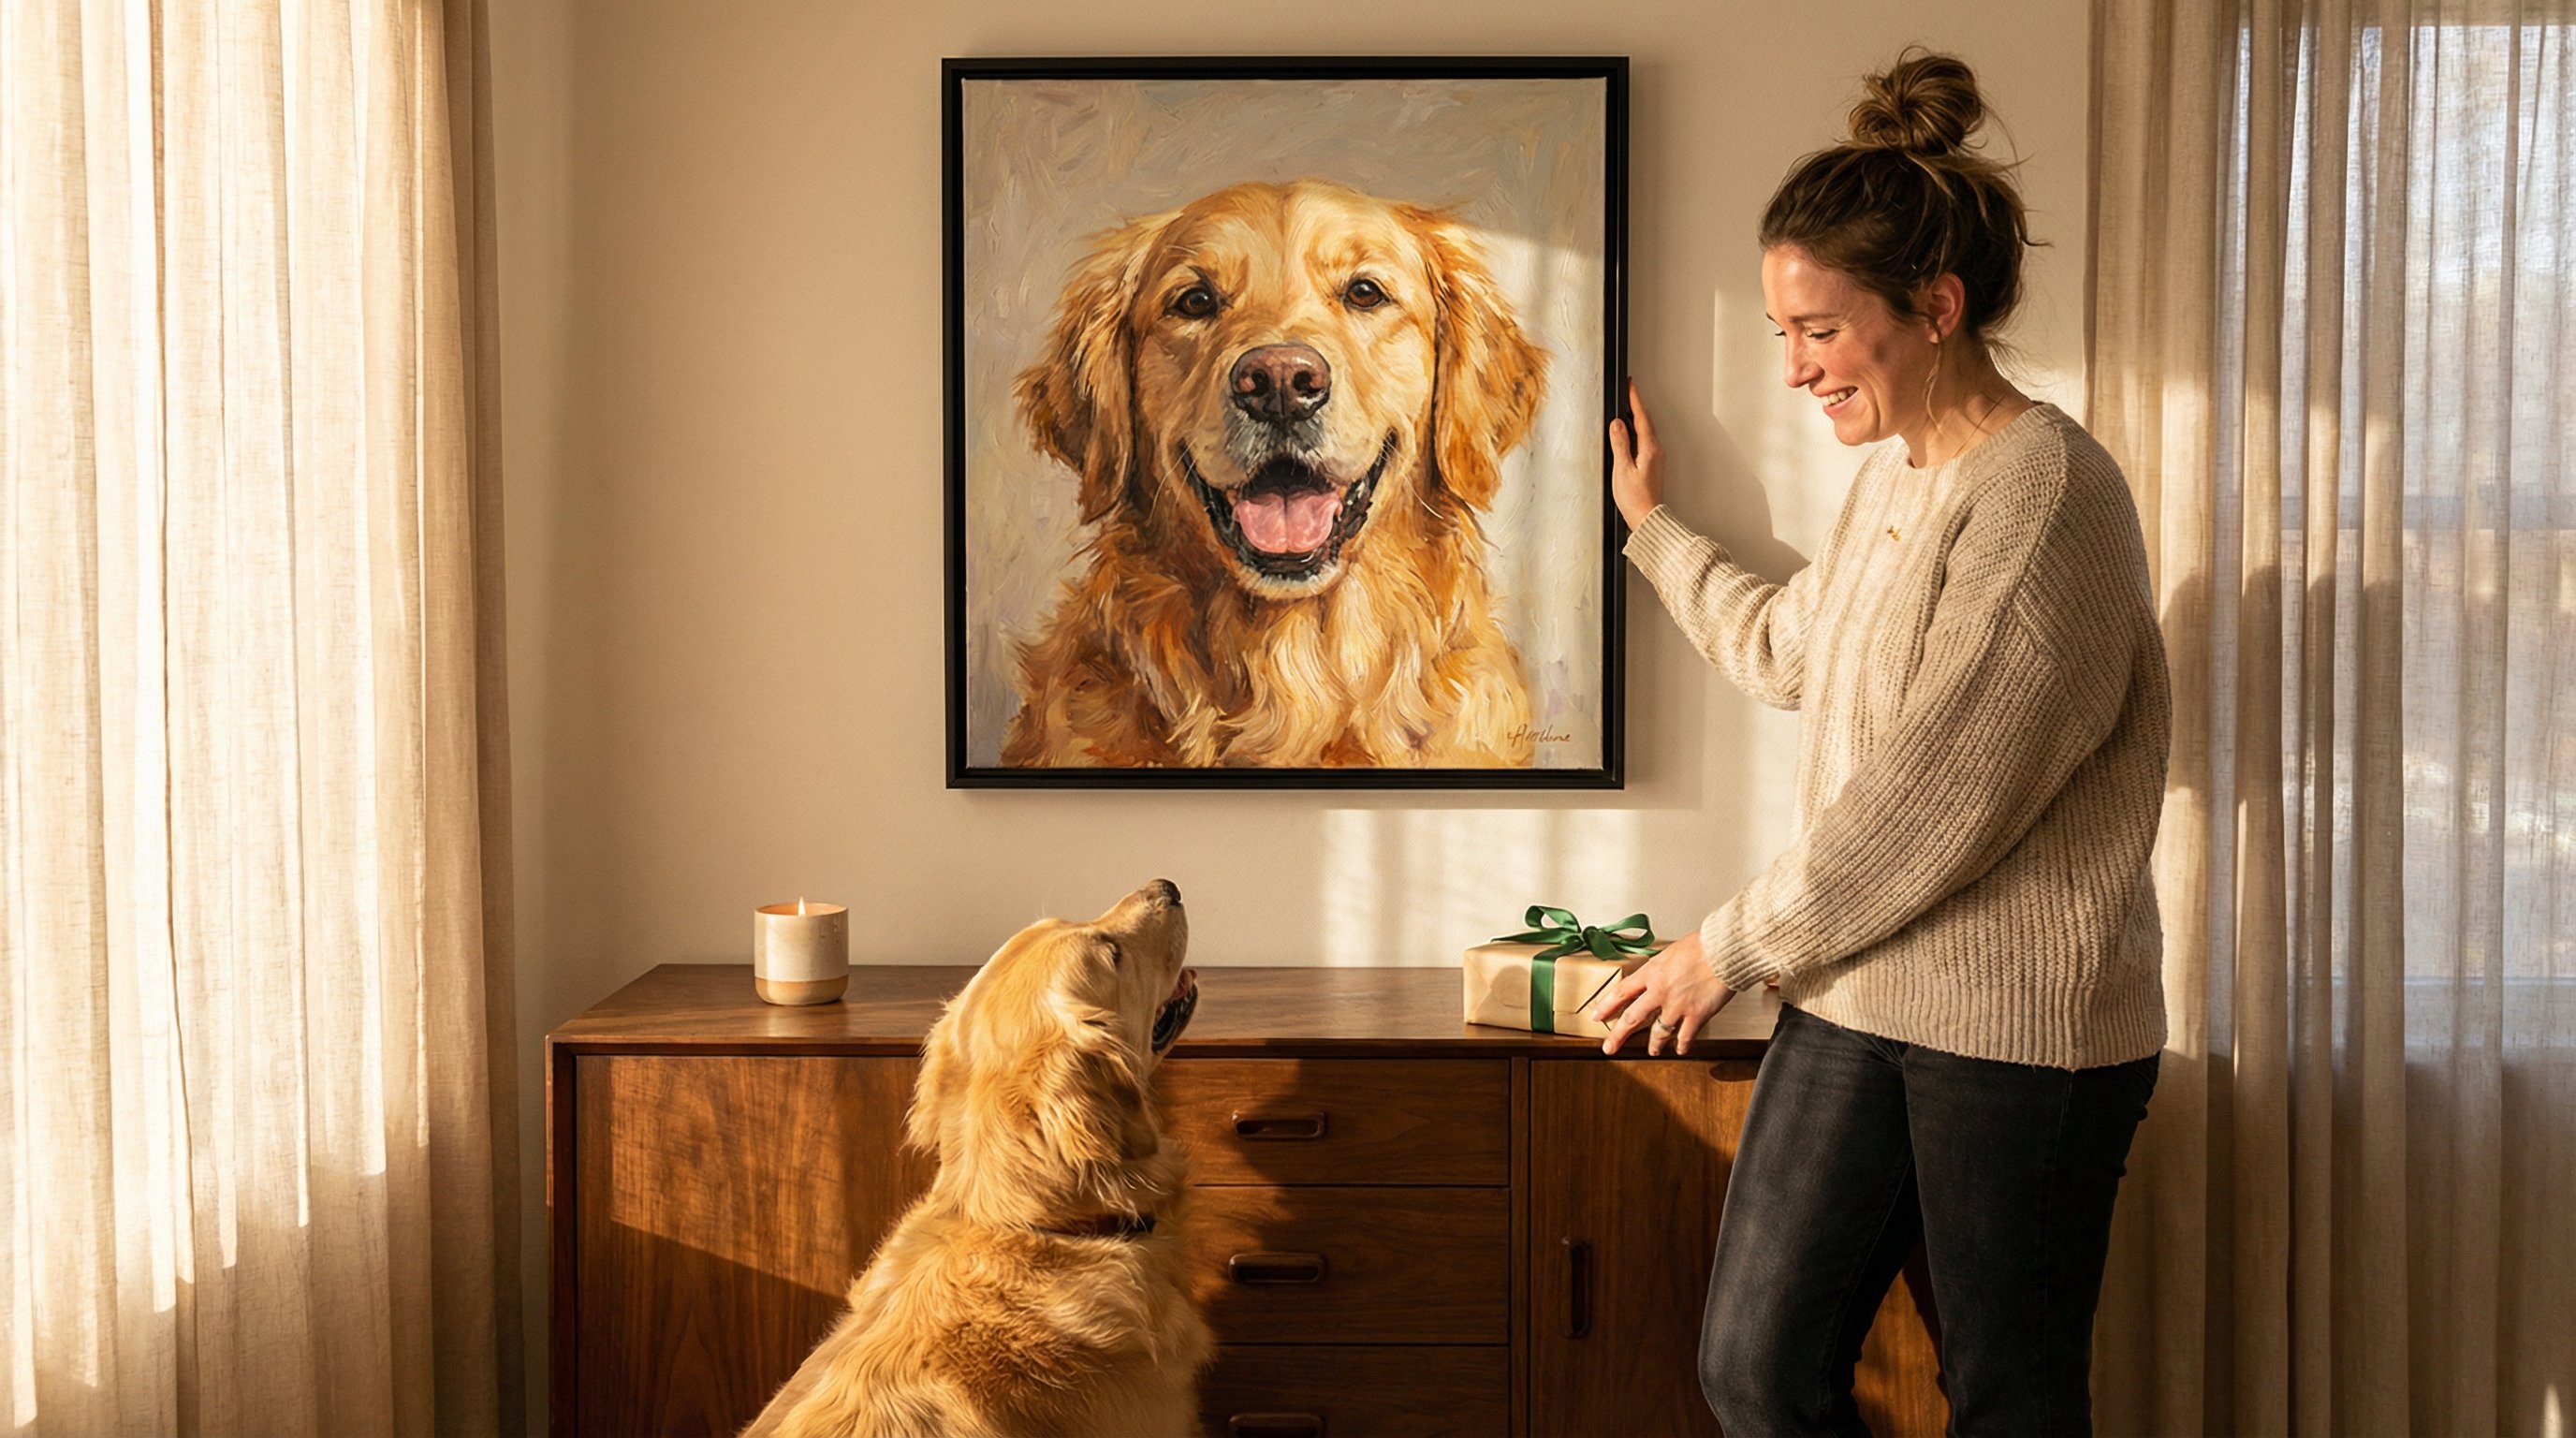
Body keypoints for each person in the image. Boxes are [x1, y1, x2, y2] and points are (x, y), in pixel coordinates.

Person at [1587, 50, 2169, 1437]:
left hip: (2021, 1039)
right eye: (1786, 332)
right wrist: (1653, 531)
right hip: (1854, 1003)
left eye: (1819, 332)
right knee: (1754, 1366)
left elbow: (1926, 805)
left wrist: (1720, 949)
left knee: (2011, 1401)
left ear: (1936, 309)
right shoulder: (1896, 484)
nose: (1789, 367)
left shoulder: (2045, 501)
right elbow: (1800, 652)